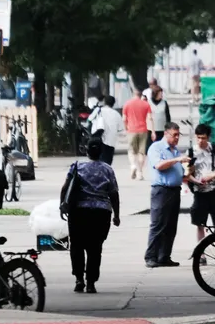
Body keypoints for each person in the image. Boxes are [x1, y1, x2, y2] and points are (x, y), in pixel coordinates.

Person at [60, 138, 121, 294]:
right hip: (101, 213)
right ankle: (91, 283)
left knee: (77, 246)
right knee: (95, 248)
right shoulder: (108, 169)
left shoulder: (77, 166)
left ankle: (79, 279)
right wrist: (116, 215)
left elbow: (66, 187)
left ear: (86, 151)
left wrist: (62, 205)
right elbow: (113, 194)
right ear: (101, 152)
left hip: (79, 211)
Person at [145, 122, 188, 268]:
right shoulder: (156, 148)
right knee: (158, 224)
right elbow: (159, 166)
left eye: (178, 135)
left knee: (170, 226)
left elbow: (180, 172)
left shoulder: (174, 150)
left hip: (175, 190)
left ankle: (164, 256)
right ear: (166, 134)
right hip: (161, 190)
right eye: (174, 135)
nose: (177, 138)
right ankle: (151, 256)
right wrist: (177, 160)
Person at [188, 124, 215, 243]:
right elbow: (186, 174)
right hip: (200, 191)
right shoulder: (191, 152)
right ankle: (201, 254)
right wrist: (196, 181)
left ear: (208, 137)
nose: (201, 141)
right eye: (198, 137)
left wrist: (212, 175)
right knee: (200, 224)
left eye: (203, 138)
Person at [122, 90, 152, 179]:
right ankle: (140, 172)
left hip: (131, 130)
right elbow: (150, 118)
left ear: (133, 94)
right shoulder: (146, 104)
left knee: (131, 151)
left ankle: (133, 165)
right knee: (141, 152)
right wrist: (152, 131)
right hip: (143, 129)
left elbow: (124, 119)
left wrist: (126, 128)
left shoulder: (127, 104)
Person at [89, 95, 124, 166]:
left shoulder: (98, 110)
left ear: (104, 102)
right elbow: (120, 128)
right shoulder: (116, 114)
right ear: (113, 104)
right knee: (107, 162)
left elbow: (89, 119)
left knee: (97, 160)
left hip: (99, 139)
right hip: (111, 141)